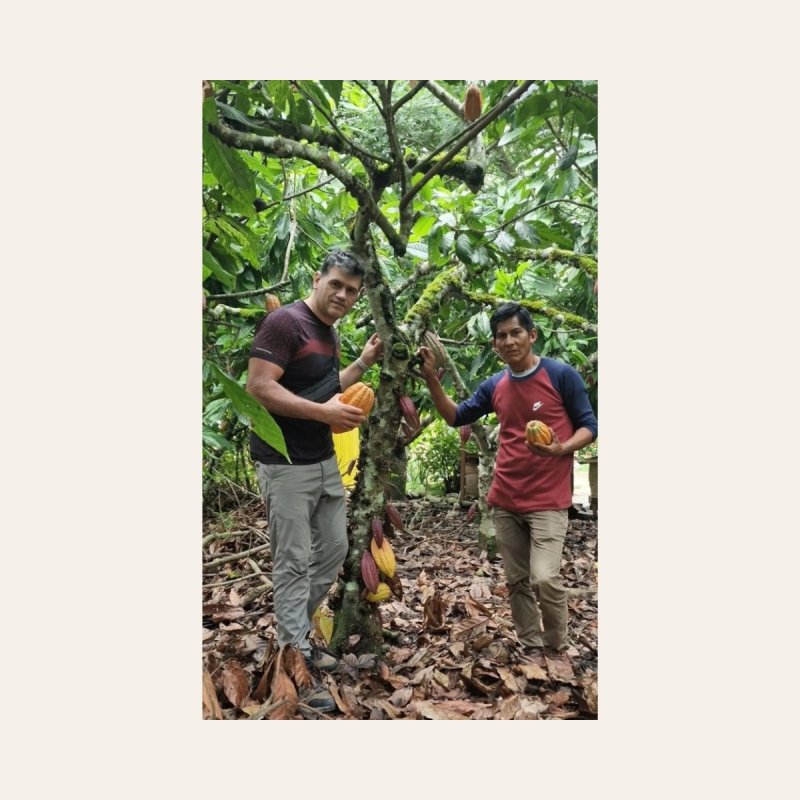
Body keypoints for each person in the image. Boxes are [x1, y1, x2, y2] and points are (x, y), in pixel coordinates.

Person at [418, 301, 597, 677]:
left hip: (548, 500)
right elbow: (455, 417)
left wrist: (562, 448)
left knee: (545, 577)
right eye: (502, 336)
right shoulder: (494, 385)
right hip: (505, 499)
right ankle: (531, 644)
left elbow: (589, 426)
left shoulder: (560, 375)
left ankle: (558, 646)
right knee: (516, 580)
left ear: (532, 335)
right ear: (495, 345)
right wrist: (433, 378)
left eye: (517, 332)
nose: (510, 340)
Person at [246, 249, 382, 712]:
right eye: (336, 284)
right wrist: (323, 413)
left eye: (351, 291)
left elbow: (323, 389)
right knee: (292, 560)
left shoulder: (328, 333)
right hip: (284, 464)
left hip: (322, 460)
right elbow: (260, 387)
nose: (342, 295)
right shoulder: (285, 323)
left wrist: (361, 364)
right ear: (317, 278)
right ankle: (294, 662)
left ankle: (293, 635)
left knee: (335, 551)